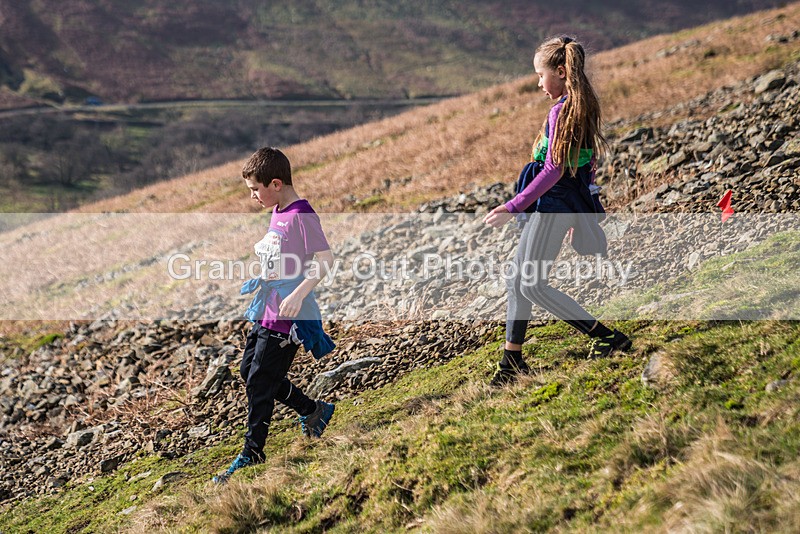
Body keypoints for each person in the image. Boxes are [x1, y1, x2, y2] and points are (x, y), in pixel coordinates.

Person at [483, 36, 632, 386]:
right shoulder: (579, 105)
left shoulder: (563, 110)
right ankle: (512, 361)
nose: (538, 83)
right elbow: (588, 165)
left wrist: (512, 206)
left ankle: (608, 337)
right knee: (517, 280)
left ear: (561, 71)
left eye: (540, 75)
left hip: (553, 205)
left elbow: (553, 169)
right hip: (559, 206)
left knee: (531, 284)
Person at [214, 147, 337, 484]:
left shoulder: (302, 215)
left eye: (256, 189)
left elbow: (324, 260)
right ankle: (314, 411)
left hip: (288, 314)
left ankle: (253, 452)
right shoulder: (278, 210)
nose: (253, 196)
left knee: (259, 381)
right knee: (249, 372)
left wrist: (298, 295)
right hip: (266, 309)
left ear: (277, 183)